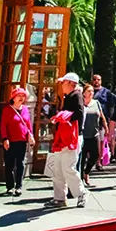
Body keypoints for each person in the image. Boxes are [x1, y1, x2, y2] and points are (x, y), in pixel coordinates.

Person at [44, 72, 87, 209]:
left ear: (70, 83)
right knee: (58, 168)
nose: (61, 85)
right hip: (64, 137)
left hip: (72, 138)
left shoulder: (76, 96)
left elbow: (79, 114)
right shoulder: (69, 97)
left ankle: (82, 193)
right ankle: (59, 198)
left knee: (68, 167)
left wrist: (62, 116)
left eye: (63, 82)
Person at [0, 87, 35, 196]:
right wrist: (5, 138)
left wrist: (31, 136)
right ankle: (10, 186)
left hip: (22, 140)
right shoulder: (7, 110)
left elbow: (28, 125)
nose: (21, 98)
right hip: (10, 141)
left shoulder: (25, 110)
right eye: (19, 96)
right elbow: (3, 126)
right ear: (13, 98)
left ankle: (19, 186)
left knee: (20, 164)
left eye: (23, 96)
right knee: (9, 164)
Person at [81, 84, 108, 185]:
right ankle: (80, 180)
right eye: (89, 91)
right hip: (82, 135)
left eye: (92, 91)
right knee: (82, 158)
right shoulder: (81, 103)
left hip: (94, 133)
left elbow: (102, 116)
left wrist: (106, 128)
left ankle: (86, 172)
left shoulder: (96, 103)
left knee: (95, 155)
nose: (91, 93)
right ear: (84, 93)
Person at [91, 74, 116, 169]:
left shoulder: (107, 93)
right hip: (89, 121)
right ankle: (90, 162)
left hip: (103, 121)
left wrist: (111, 121)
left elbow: (111, 106)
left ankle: (99, 162)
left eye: (98, 79)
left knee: (101, 142)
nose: (96, 81)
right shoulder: (88, 91)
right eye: (94, 79)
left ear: (101, 81)